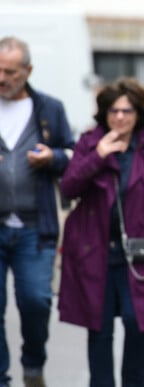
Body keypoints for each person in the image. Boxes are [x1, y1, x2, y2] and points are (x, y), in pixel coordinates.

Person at [58, 77, 144, 387]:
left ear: (139, 114)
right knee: (100, 330)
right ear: (104, 113)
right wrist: (97, 155)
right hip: (94, 253)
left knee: (138, 326)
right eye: (113, 111)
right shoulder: (88, 143)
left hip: (139, 254)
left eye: (127, 111)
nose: (120, 117)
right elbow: (68, 188)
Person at [0, 36, 75, 387]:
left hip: (36, 227)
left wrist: (53, 158)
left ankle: (33, 363)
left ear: (28, 71)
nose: (2, 77)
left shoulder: (49, 109)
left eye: (10, 71)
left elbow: (74, 157)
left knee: (36, 301)